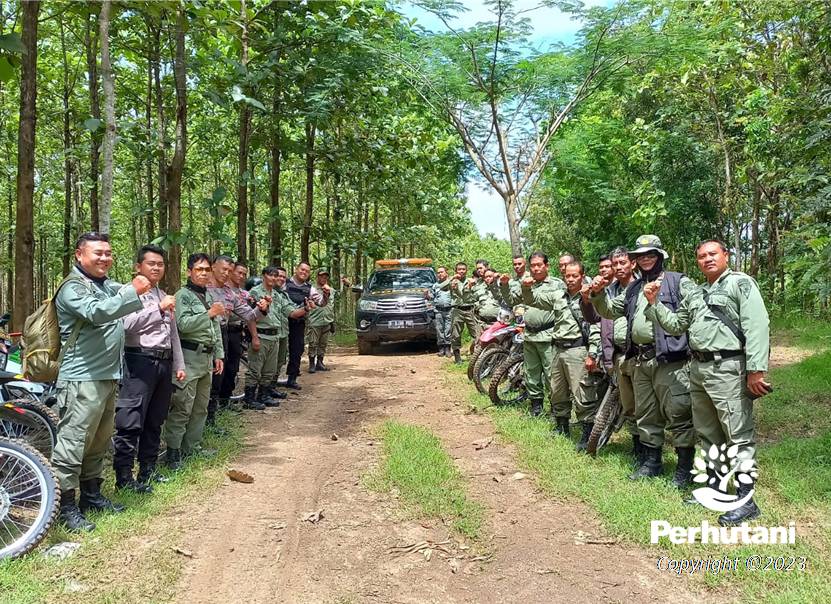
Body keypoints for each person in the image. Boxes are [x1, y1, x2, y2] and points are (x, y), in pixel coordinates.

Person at [644, 240, 770, 525]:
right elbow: (676, 326)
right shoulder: (698, 293)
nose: (707, 259)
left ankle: (746, 500)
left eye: (713, 254)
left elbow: (757, 325)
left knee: (737, 435)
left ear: (726, 255)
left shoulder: (740, 283)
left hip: (728, 367)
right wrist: (653, 304)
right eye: (702, 256)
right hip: (699, 368)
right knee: (708, 433)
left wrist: (756, 370)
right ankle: (715, 488)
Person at [52, 232, 147, 531]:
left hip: (107, 377)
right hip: (81, 379)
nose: (105, 258)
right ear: (79, 255)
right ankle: (64, 507)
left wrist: (141, 283)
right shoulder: (71, 288)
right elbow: (96, 313)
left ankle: (91, 496)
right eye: (98, 253)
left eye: (108, 253)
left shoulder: (105, 285)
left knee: (98, 441)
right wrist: (132, 290)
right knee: (73, 443)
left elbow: (124, 297)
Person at [589, 235, 696, 486]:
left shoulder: (678, 282)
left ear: (660, 256)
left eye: (651, 254)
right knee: (646, 415)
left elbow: (694, 314)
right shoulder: (634, 288)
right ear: (636, 261)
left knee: (679, 413)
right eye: (641, 255)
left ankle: (684, 470)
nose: (646, 259)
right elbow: (608, 310)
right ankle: (652, 463)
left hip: (671, 361)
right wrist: (597, 292)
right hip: (639, 360)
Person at [113, 244, 186, 494]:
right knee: (131, 420)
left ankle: (148, 470)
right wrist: (159, 309)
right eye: (151, 263)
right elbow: (127, 325)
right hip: (139, 361)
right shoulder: (129, 293)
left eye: (160, 264)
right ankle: (124, 476)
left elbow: (172, 333)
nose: (156, 268)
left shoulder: (161, 293)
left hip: (164, 363)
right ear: (138, 266)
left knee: (156, 419)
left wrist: (179, 364)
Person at [163, 253, 225, 470]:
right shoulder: (183, 295)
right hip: (188, 358)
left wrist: (219, 354)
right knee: (182, 407)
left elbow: (214, 328)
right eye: (199, 269)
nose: (204, 273)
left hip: (206, 359)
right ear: (189, 272)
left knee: (200, 407)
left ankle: (192, 447)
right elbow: (182, 326)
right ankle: (172, 453)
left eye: (207, 269)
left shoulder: (206, 295)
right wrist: (209, 313)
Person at [580, 247, 640, 459]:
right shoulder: (610, 290)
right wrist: (588, 298)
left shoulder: (642, 287)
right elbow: (595, 318)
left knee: (646, 405)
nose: (618, 267)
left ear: (633, 263)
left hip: (640, 354)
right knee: (630, 405)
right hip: (617, 354)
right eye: (615, 264)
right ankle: (638, 448)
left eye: (622, 263)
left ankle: (652, 452)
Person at [499, 252, 566, 417]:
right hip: (529, 335)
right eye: (533, 266)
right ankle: (536, 407)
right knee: (531, 374)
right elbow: (511, 301)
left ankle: (555, 409)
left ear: (546, 266)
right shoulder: (527, 284)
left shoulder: (557, 284)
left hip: (548, 335)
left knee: (552, 375)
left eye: (539, 265)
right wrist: (505, 285)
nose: (536, 268)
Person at [207, 255, 267, 426]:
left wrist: (262, 309)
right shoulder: (203, 289)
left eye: (229, 270)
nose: (226, 273)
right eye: (223, 269)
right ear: (213, 267)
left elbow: (248, 314)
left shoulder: (229, 292)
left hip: (225, 334)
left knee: (226, 372)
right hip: (206, 336)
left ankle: (215, 414)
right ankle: (205, 418)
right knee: (211, 376)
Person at [549, 261, 601, 449]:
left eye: (574, 276)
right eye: (567, 276)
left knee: (582, 393)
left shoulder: (589, 297)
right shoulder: (559, 296)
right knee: (557, 391)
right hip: (558, 349)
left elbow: (595, 325)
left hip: (578, 349)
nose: (570, 279)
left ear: (582, 275)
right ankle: (562, 426)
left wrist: (592, 353)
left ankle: (587, 433)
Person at [247, 266, 307, 408]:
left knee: (269, 371)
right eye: (271, 275)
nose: (274, 278)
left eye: (276, 276)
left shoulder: (277, 295)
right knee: (255, 369)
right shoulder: (255, 293)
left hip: (275, 336)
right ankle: (249, 399)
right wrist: (254, 337)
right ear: (263, 276)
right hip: (261, 335)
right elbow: (249, 317)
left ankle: (264, 395)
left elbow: (290, 312)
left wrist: (306, 309)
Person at [284, 262, 329, 389]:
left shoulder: (309, 288)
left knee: (297, 349)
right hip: (282, 322)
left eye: (307, 271)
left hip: (298, 323)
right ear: (296, 269)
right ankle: (271, 381)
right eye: (302, 270)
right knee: (279, 351)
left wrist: (326, 295)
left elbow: (320, 302)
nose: (304, 272)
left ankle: (291, 379)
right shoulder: (285, 283)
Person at [217, 261, 254, 409]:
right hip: (224, 331)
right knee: (221, 369)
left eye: (244, 274)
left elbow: (248, 314)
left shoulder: (240, 293)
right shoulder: (220, 290)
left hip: (237, 333)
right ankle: (216, 404)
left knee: (232, 368)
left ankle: (225, 401)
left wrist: (261, 308)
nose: (241, 276)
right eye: (238, 272)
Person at [306, 270, 350, 372]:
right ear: (317, 277)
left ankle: (320, 363)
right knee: (313, 343)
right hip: (314, 321)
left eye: (325, 277)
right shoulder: (311, 289)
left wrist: (346, 285)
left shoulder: (330, 290)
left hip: (327, 321)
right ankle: (312, 364)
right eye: (321, 276)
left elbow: (341, 295)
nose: (323, 279)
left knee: (323, 344)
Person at [439, 262, 481, 364]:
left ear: (466, 271)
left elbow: (477, 293)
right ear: (456, 271)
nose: (461, 271)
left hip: (470, 309)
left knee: (477, 333)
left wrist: (472, 285)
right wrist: (452, 278)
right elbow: (441, 286)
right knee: (455, 334)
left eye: (463, 269)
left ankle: (477, 356)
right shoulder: (453, 281)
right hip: (457, 310)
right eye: (459, 269)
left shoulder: (471, 281)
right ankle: (457, 357)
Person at [427, 266, 453, 357]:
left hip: (449, 310)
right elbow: (432, 297)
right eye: (438, 272)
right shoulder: (435, 285)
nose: (440, 274)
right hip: (438, 310)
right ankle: (441, 349)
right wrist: (427, 295)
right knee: (439, 330)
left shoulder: (451, 283)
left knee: (448, 330)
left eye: (442, 272)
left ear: (446, 273)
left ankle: (448, 348)